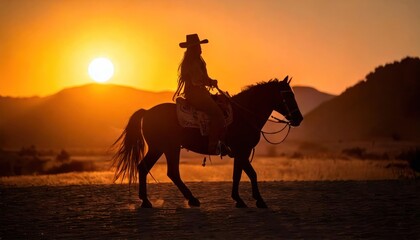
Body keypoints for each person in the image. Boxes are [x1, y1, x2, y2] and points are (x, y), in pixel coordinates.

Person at [173, 34, 226, 154]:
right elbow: (197, 80)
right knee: (217, 114)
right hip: (196, 95)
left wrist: (209, 81)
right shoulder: (193, 62)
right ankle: (213, 146)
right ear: (194, 48)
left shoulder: (195, 61)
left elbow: (202, 78)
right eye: (198, 46)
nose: (201, 48)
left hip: (200, 93)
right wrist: (210, 82)